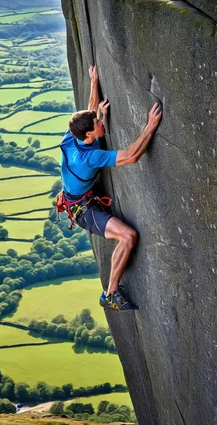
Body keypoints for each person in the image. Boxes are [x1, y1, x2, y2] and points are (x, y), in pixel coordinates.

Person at [59, 65, 162, 312]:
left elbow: (91, 107)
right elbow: (130, 157)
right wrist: (149, 126)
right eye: (97, 123)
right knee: (128, 236)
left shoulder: (72, 134)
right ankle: (111, 293)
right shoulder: (88, 158)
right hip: (83, 210)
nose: (100, 120)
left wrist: (94, 81)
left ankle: (111, 292)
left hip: (79, 196)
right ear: (89, 135)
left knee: (126, 235)